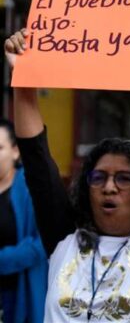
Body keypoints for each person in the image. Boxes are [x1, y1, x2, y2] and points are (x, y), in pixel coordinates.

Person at [5, 26, 130, 322]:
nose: (109, 187)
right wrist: (23, 75)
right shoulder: (65, 242)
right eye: (98, 177)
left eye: (124, 178)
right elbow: (36, 157)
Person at [0, 119, 47, 323]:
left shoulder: (32, 188)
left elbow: (43, 241)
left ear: (15, 151)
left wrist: (4, 260)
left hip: (19, 293)